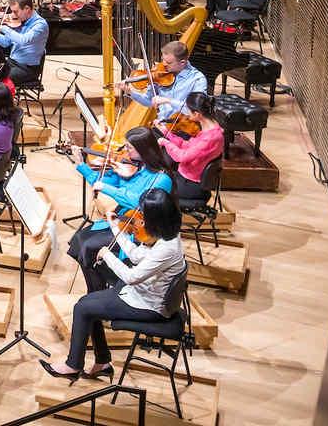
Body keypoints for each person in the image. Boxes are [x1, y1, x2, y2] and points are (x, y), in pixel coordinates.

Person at [43, 189, 186, 381]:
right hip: (143, 292)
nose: (140, 219)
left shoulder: (167, 248)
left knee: (83, 307)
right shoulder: (168, 235)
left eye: (144, 216)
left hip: (149, 306)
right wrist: (114, 227)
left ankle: (73, 365)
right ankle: (102, 362)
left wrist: (107, 254)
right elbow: (135, 256)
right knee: (89, 302)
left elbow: (131, 277)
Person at [66, 127, 173, 292]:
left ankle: (106, 289)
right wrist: (82, 164)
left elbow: (138, 201)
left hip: (140, 230)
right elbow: (100, 182)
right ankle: (97, 287)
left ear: (144, 149)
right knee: (78, 239)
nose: (125, 151)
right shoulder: (135, 167)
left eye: (129, 147)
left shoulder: (162, 178)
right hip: (121, 219)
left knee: (88, 246)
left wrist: (108, 189)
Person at [116, 40, 208, 126]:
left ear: (182, 62)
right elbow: (149, 101)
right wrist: (130, 92)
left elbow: (197, 110)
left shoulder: (197, 79)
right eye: (162, 59)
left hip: (184, 129)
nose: (163, 64)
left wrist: (168, 101)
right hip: (162, 126)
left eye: (168, 62)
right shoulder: (159, 74)